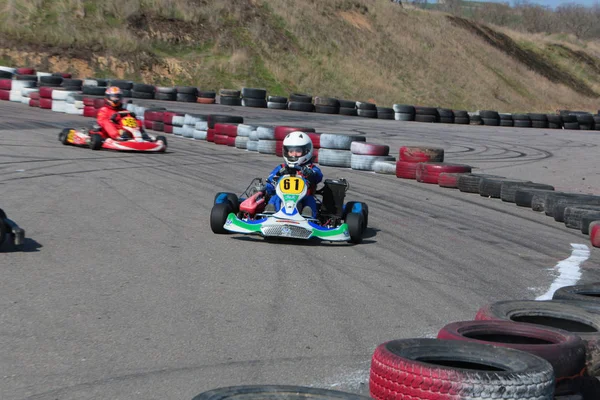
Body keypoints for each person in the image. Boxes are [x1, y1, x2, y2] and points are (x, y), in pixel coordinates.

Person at [264, 131, 323, 218]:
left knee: (310, 201)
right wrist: (277, 176)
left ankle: (309, 218)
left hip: (303, 197)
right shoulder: (281, 168)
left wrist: (310, 173)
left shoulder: (311, 168)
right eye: (291, 151)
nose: (294, 154)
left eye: (298, 151)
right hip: (282, 197)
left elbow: (318, 176)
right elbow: (269, 185)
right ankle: (270, 214)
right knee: (275, 198)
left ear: (306, 151)